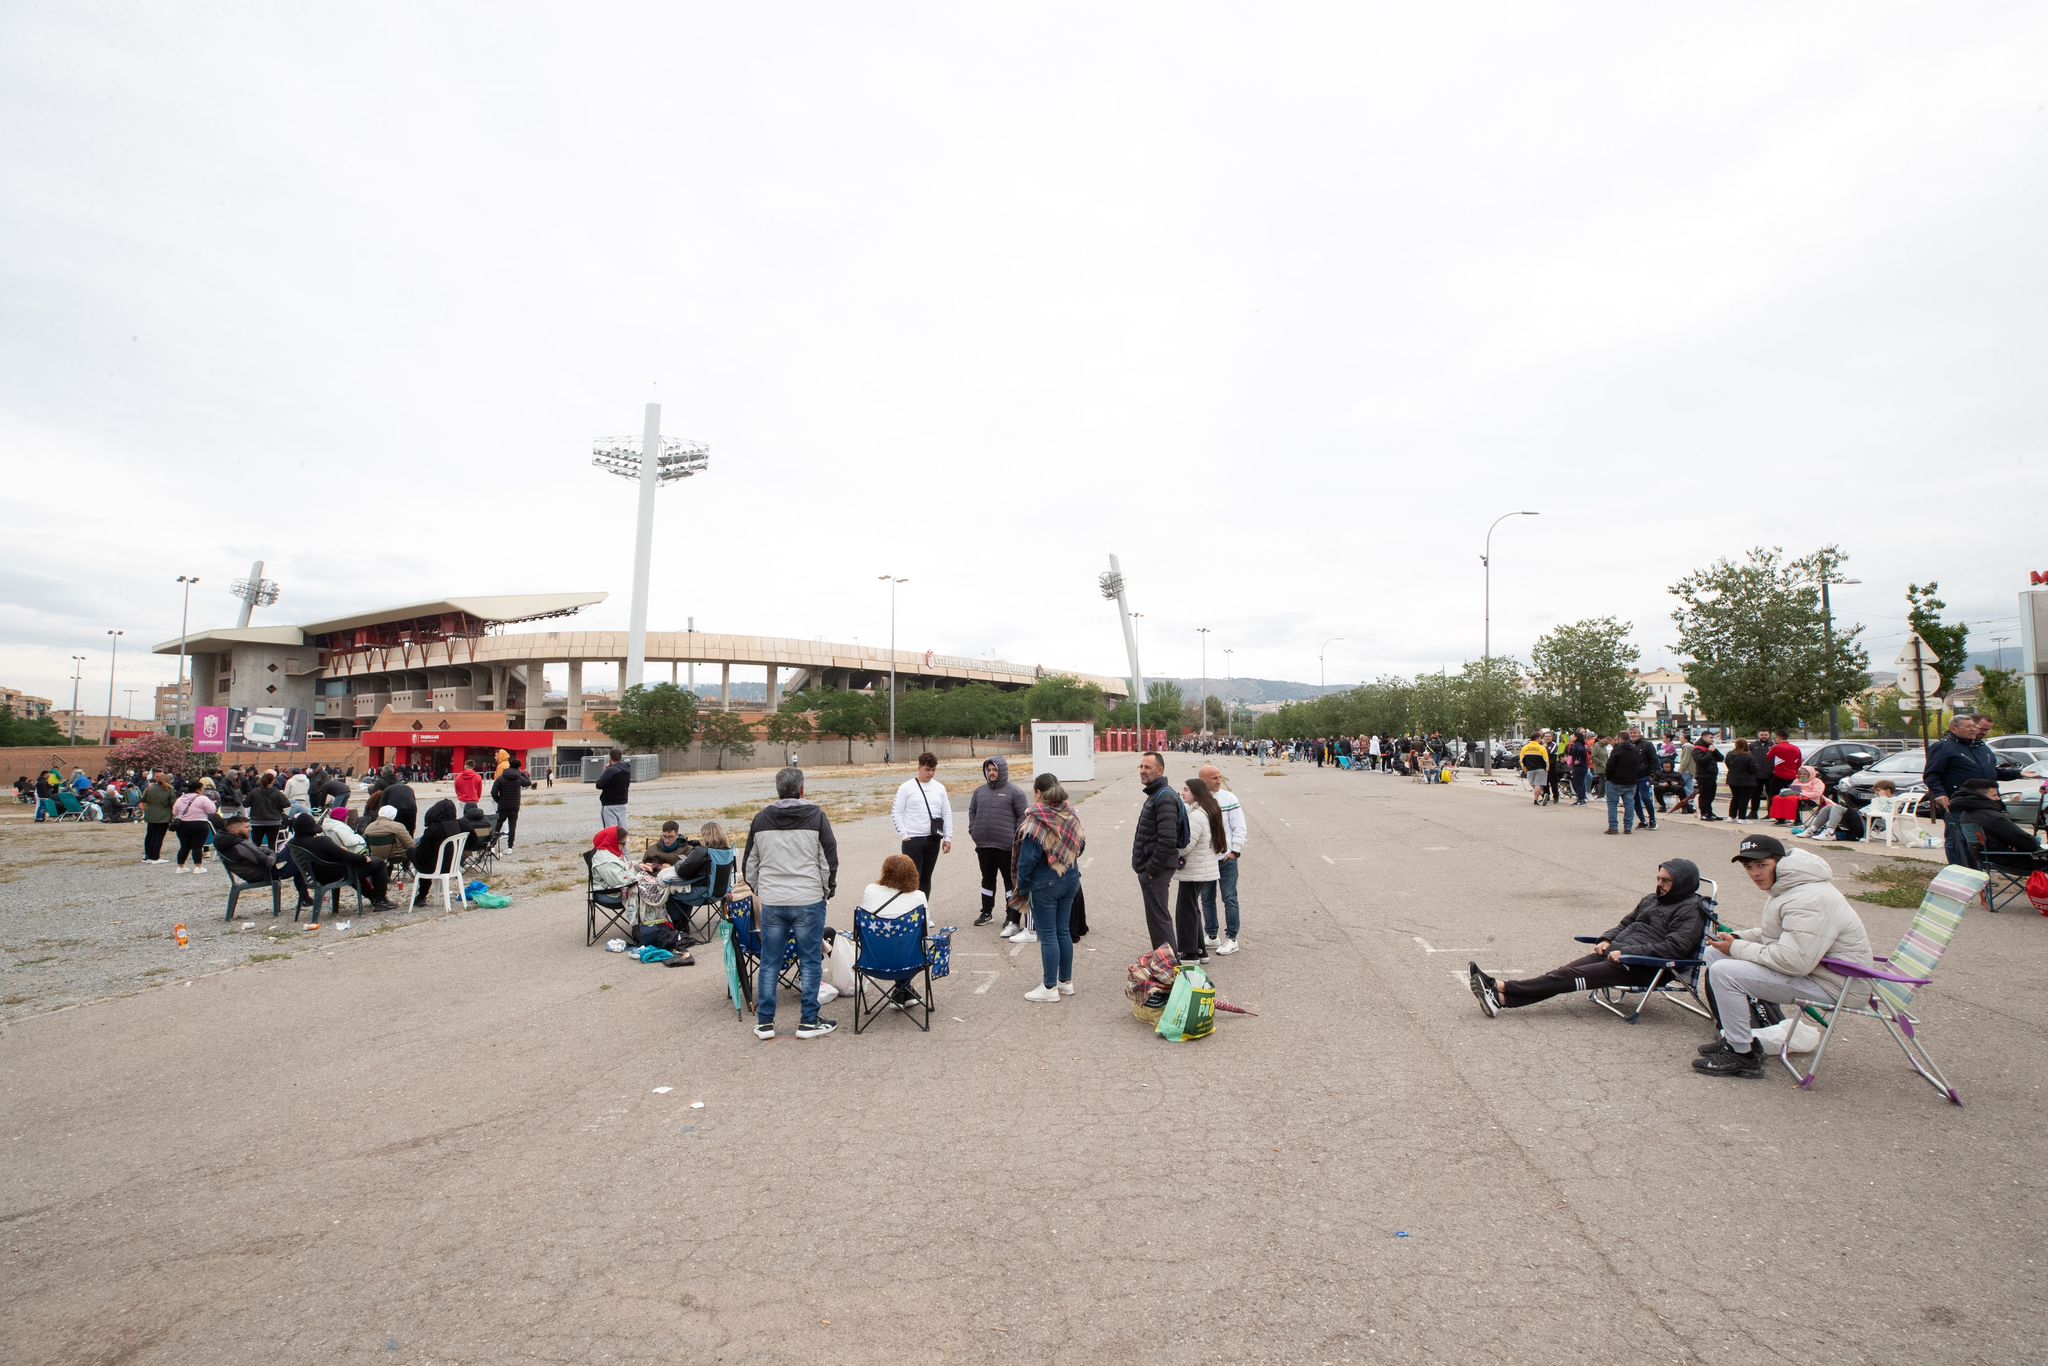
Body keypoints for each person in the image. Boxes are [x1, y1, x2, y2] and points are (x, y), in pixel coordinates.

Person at [1691, 834, 1875, 1077]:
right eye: (1749, 867)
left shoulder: (1808, 898)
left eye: (1762, 865)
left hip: (1838, 985)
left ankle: (1742, 1056)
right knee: (1716, 956)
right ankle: (1737, 1038)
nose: (1755, 873)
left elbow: (1793, 961)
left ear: (1780, 862)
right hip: (1819, 972)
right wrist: (1739, 937)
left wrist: (1736, 948)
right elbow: (1777, 934)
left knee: (1724, 972)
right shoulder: (1791, 886)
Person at [1468, 860, 1710, 1015]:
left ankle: (1500, 986)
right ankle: (1500, 999)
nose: (1660, 884)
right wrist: (1605, 939)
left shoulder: (1691, 909)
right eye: (1658, 878)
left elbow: (1676, 947)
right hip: (1617, 953)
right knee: (1562, 973)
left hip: (1645, 966)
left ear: (1682, 883)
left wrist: (1629, 954)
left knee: (1567, 977)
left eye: (1666, 880)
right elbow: (1626, 923)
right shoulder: (1652, 898)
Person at [742, 766, 840, 1040]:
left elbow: (750, 864)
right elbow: (828, 860)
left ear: (778, 789)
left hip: (774, 899)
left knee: (770, 961)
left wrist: (762, 890)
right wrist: (826, 889)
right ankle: (808, 1020)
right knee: (810, 961)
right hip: (808, 897)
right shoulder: (816, 816)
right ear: (802, 789)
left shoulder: (761, 820)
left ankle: (765, 1022)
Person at [1016, 779, 1085, 1001]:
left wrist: (1023, 886)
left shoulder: (1035, 822)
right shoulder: (1071, 817)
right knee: (1062, 931)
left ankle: (1048, 988)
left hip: (1045, 884)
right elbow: (1081, 845)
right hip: (1071, 878)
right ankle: (1066, 982)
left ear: (1043, 798)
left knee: (1047, 936)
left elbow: (1027, 861)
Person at [1923, 715, 2003, 866]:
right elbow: (1931, 775)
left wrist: (2019, 773)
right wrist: (1940, 794)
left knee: (1980, 841)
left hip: (1984, 803)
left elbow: (1992, 772)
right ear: (1954, 728)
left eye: (1974, 726)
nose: (1973, 729)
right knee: (1959, 841)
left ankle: (1980, 873)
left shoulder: (1981, 747)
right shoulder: (1944, 747)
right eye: (1968, 726)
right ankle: (1961, 873)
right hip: (1958, 803)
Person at [286, 811, 394, 912]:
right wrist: (364, 858)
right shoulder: (321, 841)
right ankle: (381, 900)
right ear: (311, 828)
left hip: (315, 876)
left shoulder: (293, 843)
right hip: (334, 874)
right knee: (378, 863)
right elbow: (344, 856)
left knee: (356, 867)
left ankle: (373, 897)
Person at [968, 756, 1029, 932]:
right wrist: (974, 831)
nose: (991, 773)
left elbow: (1023, 816)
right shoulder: (979, 792)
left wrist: (1014, 837)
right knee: (987, 879)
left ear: (1002, 771)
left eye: (994, 769)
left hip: (1006, 847)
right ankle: (986, 912)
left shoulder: (1015, 792)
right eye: (989, 770)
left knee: (1009, 882)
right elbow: (972, 812)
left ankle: (1011, 916)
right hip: (984, 846)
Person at [1131, 751, 1182, 952]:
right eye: (1141, 767)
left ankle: (1170, 969)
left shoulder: (1164, 797)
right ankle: (1164, 965)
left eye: (1148, 767)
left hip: (1156, 871)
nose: (1143, 771)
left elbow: (1168, 839)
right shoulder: (1156, 794)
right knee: (1156, 920)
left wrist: (1151, 869)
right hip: (1152, 869)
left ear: (1160, 770)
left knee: (1160, 920)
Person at [1195, 763, 1247, 953]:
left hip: (1226, 859)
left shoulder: (1228, 798)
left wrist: (1235, 851)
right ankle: (1212, 935)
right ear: (1203, 781)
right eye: (1214, 778)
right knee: (1207, 899)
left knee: (1229, 898)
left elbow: (1239, 826)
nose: (1219, 781)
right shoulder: (1195, 800)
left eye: (1219, 777)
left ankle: (1232, 938)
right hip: (1206, 860)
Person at [216, 811, 314, 911]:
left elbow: (259, 850)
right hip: (264, 873)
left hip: (258, 870)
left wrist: (270, 853)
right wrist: (272, 854)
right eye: (246, 827)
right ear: (235, 830)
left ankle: (306, 898)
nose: (250, 829)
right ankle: (310, 895)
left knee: (297, 857)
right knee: (297, 856)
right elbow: (268, 861)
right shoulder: (238, 845)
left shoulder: (229, 840)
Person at [1174, 776, 1226, 964]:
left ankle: (1189, 954)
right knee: (1192, 909)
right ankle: (1199, 950)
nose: (1182, 792)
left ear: (1196, 793)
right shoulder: (1206, 810)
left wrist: (1171, 852)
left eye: (1186, 789)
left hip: (1195, 870)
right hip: (1200, 870)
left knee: (1185, 912)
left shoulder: (1196, 815)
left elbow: (1187, 845)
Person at [889, 752, 952, 895]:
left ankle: (924, 913)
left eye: (933, 770)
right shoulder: (906, 787)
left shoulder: (939, 788)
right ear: (919, 767)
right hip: (913, 840)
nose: (930, 773)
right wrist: (904, 835)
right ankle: (911, 914)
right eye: (927, 769)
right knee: (911, 879)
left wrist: (948, 837)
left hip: (932, 839)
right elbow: (896, 812)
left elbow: (946, 813)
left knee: (926, 879)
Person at [1948, 778, 2039, 854]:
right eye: (1994, 795)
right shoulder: (1992, 816)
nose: (1998, 798)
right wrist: (2037, 842)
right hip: (2011, 858)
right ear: (1980, 797)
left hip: (1986, 857)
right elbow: (2028, 843)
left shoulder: (1967, 813)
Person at [1603, 729, 1645, 834]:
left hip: (1615, 781)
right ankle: (1628, 827)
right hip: (1631, 781)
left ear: (1621, 739)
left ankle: (1613, 827)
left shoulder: (1617, 750)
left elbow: (1610, 765)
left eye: (1617, 739)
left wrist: (1608, 777)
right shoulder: (1635, 750)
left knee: (1612, 803)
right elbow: (1638, 765)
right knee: (1629, 804)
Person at [168, 783, 216, 871]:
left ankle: (180, 867)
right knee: (197, 846)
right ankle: (198, 866)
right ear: (198, 789)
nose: (203, 790)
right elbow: (211, 810)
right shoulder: (202, 798)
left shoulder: (180, 799)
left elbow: (174, 812)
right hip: (199, 823)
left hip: (182, 825)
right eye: (202, 788)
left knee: (184, 846)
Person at [489, 757, 528, 849]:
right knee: (512, 825)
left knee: (498, 825)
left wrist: (499, 800)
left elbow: (493, 792)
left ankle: (492, 845)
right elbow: (528, 783)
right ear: (519, 767)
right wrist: (523, 774)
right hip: (514, 806)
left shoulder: (501, 778)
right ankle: (510, 847)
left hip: (503, 805)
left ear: (509, 766)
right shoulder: (519, 777)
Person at [139, 772, 176, 863]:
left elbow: (143, 799)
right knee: (158, 836)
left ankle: (148, 855)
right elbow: (173, 804)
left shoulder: (150, 789)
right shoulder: (170, 790)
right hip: (163, 815)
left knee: (150, 836)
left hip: (151, 815)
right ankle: (156, 857)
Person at [1724, 739, 1761, 823]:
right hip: (1746, 780)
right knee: (1744, 799)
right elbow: (1753, 769)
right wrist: (1756, 768)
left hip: (1732, 779)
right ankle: (1742, 817)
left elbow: (1727, 764)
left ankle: (1731, 816)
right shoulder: (1748, 755)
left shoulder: (1730, 754)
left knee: (1735, 798)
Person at [1764, 729, 1803, 808]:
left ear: (1779, 737)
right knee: (1795, 795)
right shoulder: (1796, 748)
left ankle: (1775, 814)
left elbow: (1768, 758)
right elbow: (1799, 763)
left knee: (1774, 794)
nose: (1776, 739)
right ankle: (1797, 816)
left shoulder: (1776, 747)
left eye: (1776, 738)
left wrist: (1769, 751)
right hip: (1793, 775)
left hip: (1779, 775)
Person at [595, 748, 631, 832]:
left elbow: (599, 784)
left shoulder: (611, 770)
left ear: (610, 758)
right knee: (622, 831)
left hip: (610, 804)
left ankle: (613, 845)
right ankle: (623, 845)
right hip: (623, 802)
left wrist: (606, 770)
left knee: (611, 831)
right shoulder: (627, 769)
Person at [1692, 734, 1724, 822]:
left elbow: (1721, 758)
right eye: (1710, 738)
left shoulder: (1710, 747)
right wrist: (1709, 752)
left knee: (1711, 795)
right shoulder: (1697, 749)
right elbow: (1701, 761)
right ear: (1704, 737)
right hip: (1703, 776)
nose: (1712, 739)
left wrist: (1714, 750)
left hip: (1712, 775)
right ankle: (1704, 814)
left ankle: (1710, 812)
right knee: (1704, 796)